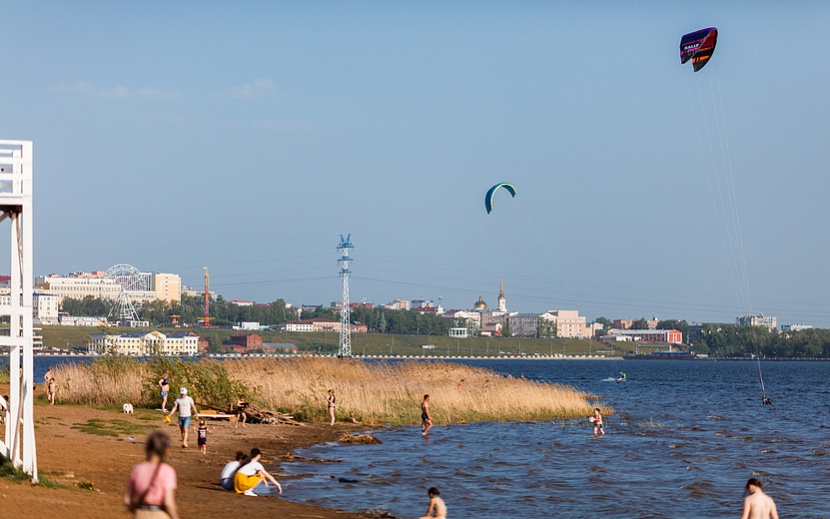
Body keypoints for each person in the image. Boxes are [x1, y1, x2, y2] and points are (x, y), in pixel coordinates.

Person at [124, 430, 179, 519]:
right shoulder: (167, 471)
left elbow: (127, 500)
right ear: (165, 450)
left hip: (140, 513)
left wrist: (137, 512)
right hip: (159, 514)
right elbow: (168, 503)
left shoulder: (137, 469)